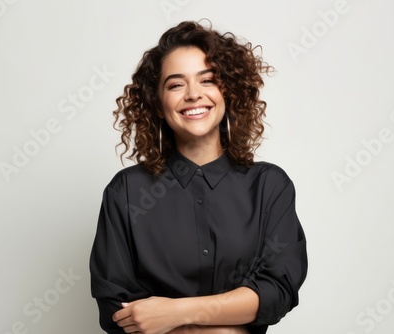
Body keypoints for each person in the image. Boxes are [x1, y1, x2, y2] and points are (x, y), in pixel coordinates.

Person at [89, 20, 308, 334]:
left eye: (207, 80)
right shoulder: (125, 191)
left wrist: (175, 313)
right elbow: (118, 309)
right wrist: (226, 328)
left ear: (227, 92)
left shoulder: (269, 186)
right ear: (158, 104)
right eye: (176, 84)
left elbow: (276, 291)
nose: (193, 94)